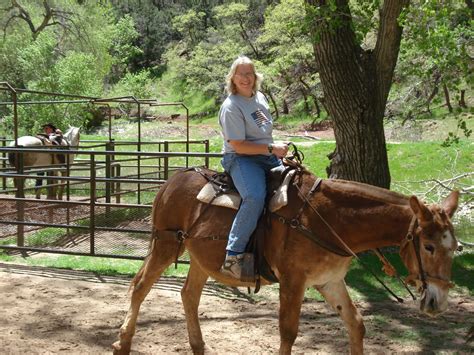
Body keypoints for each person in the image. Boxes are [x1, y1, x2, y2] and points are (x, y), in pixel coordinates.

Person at [219, 56, 289, 280]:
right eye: (241, 74)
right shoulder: (231, 107)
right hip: (240, 159)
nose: (246, 78)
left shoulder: (259, 98)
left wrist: (274, 148)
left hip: (265, 154)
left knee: (299, 185)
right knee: (255, 197)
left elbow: (261, 129)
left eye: (250, 73)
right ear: (233, 78)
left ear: (255, 76)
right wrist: (271, 149)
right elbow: (238, 144)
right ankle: (234, 256)